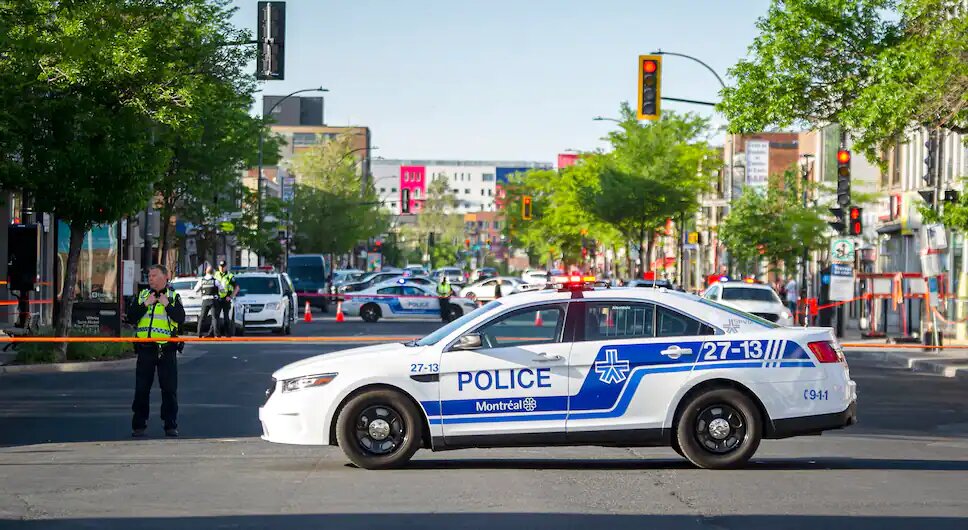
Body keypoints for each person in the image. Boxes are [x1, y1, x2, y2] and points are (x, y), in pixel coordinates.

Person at [128, 264, 185, 437]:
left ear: (164, 277)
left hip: (166, 349)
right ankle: (139, 424)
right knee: (141, 389)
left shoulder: (173, 296)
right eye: (149, 276)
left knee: (169, 389)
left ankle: (170, 424)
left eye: (154, 275)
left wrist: (166, 305)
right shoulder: (143, 295)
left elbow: (180, 318)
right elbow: (131, 317)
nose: (150, 279)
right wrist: (146, 304)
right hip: (146, 348)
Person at [194, 266, 224, 338]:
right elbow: (222, 289)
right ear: (213, 272)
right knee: (214, 318)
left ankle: (199, 333)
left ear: (206, 272)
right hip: (213, 300)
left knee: (202, 317)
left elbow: (195, 289)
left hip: (205, 300)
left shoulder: (202, 280)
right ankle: (217, 334)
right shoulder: (215, 281)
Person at [213, 260, 238, 337]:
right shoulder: (216, 275)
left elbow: (237, 288)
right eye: (220, 266)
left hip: (226, 299)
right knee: (216, 317)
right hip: (217, 298)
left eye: (223, 267)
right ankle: (217, 334)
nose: (222, 268)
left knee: (226, 317)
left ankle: (227, 334)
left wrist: (230, 297)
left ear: (226, 267)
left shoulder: (230, 276)